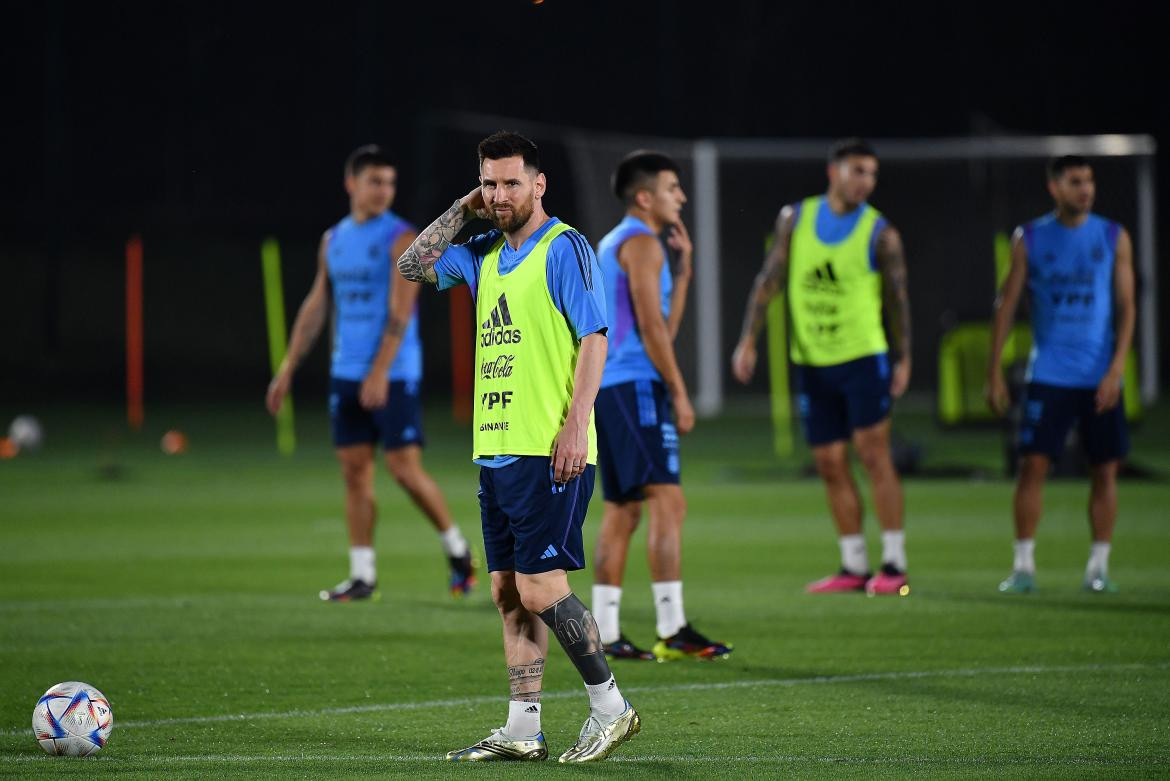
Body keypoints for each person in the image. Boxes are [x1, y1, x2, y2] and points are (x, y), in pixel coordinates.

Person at [396, 131, 639, 763]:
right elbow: (412, 264)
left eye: (511, 182)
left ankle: (611, 707)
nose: (499, 195)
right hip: (496, 447)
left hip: (547, 447)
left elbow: (594, 336)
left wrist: (576, 423)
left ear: (539, 184)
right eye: (490, 183)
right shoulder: (480, 253)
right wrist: (461, 208)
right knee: (507, 591)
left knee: (538, 588)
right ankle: (524, 728)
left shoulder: (565, 248)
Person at [266, 145, 474, 602]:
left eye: (390, 183)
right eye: (374, 182)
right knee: (354, 474)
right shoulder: (333, 240)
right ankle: (363, 575)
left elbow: (402, 308)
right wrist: (287, 369)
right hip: (345, 371)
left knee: (403, 470)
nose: (383, 191)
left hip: (394, 373)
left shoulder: (400, 237)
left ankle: (457, 549)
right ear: (351, 184)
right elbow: (317, 305)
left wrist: (380, 371)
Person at [731, 138, 912, 596]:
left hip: (862, 359)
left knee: (874, 457)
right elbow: (770, 277)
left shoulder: (880, 233)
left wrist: (904, 357)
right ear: (834, 173)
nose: (865, 181)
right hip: (812, 362)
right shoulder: (797, 218)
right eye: (857, 171)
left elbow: (898, 298)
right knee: (830, 464)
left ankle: (893, 562)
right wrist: (748, 340)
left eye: (871, 173)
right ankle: (853, 565)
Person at [591, 150, 731, 661]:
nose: (682, 197)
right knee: (669, 503)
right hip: (634, 388)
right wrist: (679, 391)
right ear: (645, 196)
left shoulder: (616, 243)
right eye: (673, 188)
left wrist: (686, 273)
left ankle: (604, 632)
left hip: (614, 387)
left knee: (623, 510)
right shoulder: (642, 243)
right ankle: (671, 627)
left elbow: (660, 331)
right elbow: (652, 332)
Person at [987, 155, 1135, 594]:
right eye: (1075, 182)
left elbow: (1128, 307)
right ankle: (1024, 567)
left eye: (1089, 181)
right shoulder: (1030, 238)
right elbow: (1006, 305)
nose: (1085, 190)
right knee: (1032, 466)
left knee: (1105, 470)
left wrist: (1116, 368)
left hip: (1097, 377)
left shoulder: (1112, 236)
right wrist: (993, 371)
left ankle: (1097, 568)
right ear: (1055, 188)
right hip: (1048, 373)